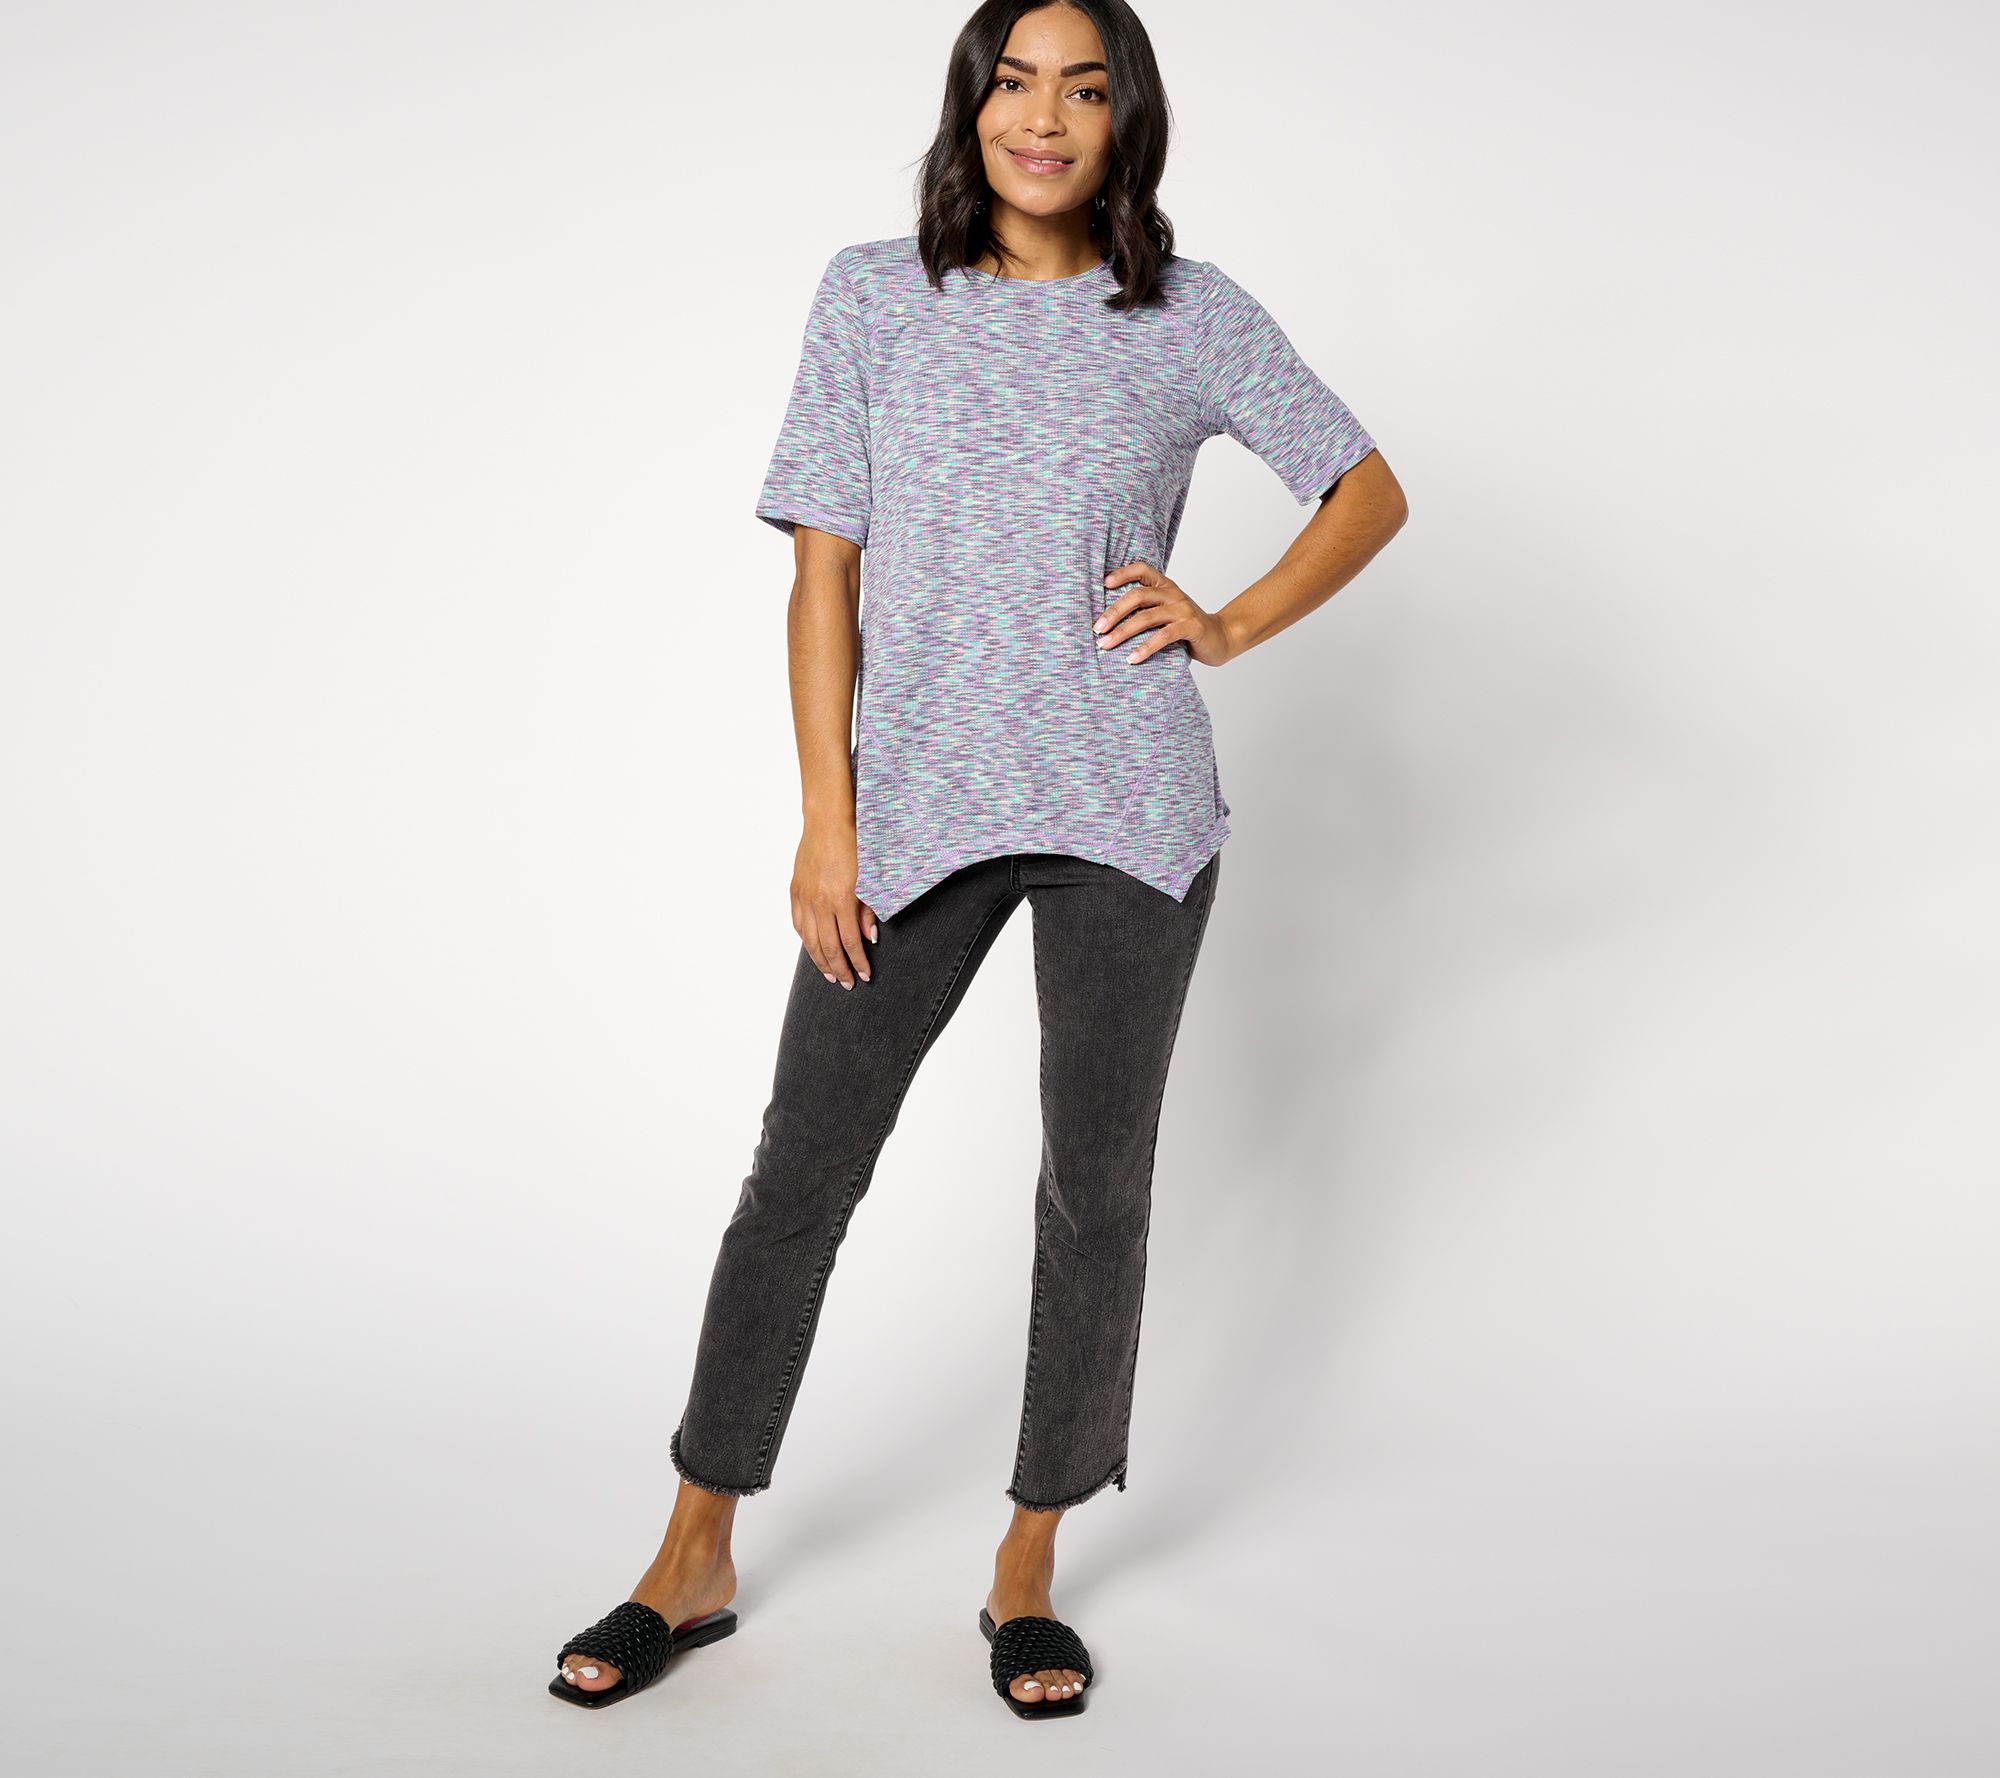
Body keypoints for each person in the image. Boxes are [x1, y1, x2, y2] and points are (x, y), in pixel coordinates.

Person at [549, 0, 1407, 1720]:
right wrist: (830, 820)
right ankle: (692, 1548)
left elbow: (1367, 489)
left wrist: (1228, 622)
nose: (1044, 117)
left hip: (1128, 809)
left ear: (1125, 121)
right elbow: (823, 575)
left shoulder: (1185, 312)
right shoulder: (875, 294)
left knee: (1096, 1186)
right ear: (972, 103)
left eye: (1084, 89)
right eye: (1015, 81)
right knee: (801, 1171)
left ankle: (1027, 1562)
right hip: (916, 815)